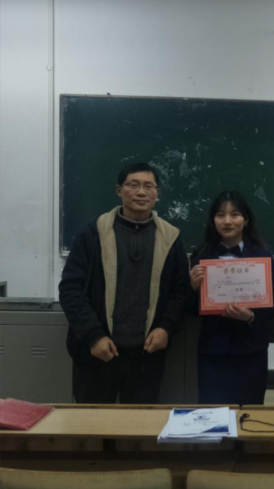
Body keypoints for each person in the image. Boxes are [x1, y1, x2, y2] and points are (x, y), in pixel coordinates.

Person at [59, 162, 190, 404]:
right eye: (133, 185)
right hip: (98, 353)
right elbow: (71, 290)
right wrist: (94, 336)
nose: (141, 192)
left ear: (157, 193)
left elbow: (180, 292)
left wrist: (165, 328)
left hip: (146, 357)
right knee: (92, 424)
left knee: (139, 425)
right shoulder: (92, 233)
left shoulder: (171, 238)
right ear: (119, 190)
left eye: (148, 186)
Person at [189, 190, 274, 405]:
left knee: (249, 413)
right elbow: (191, 310)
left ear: (246, 220)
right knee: (213, 413)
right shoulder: (201, 256)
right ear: (213, 220)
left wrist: (250, 317)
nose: (227, 221)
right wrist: (193, 288)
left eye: (235, 214)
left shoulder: (263, 257)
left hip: (251, 350)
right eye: (220, 215)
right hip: (212, 351)